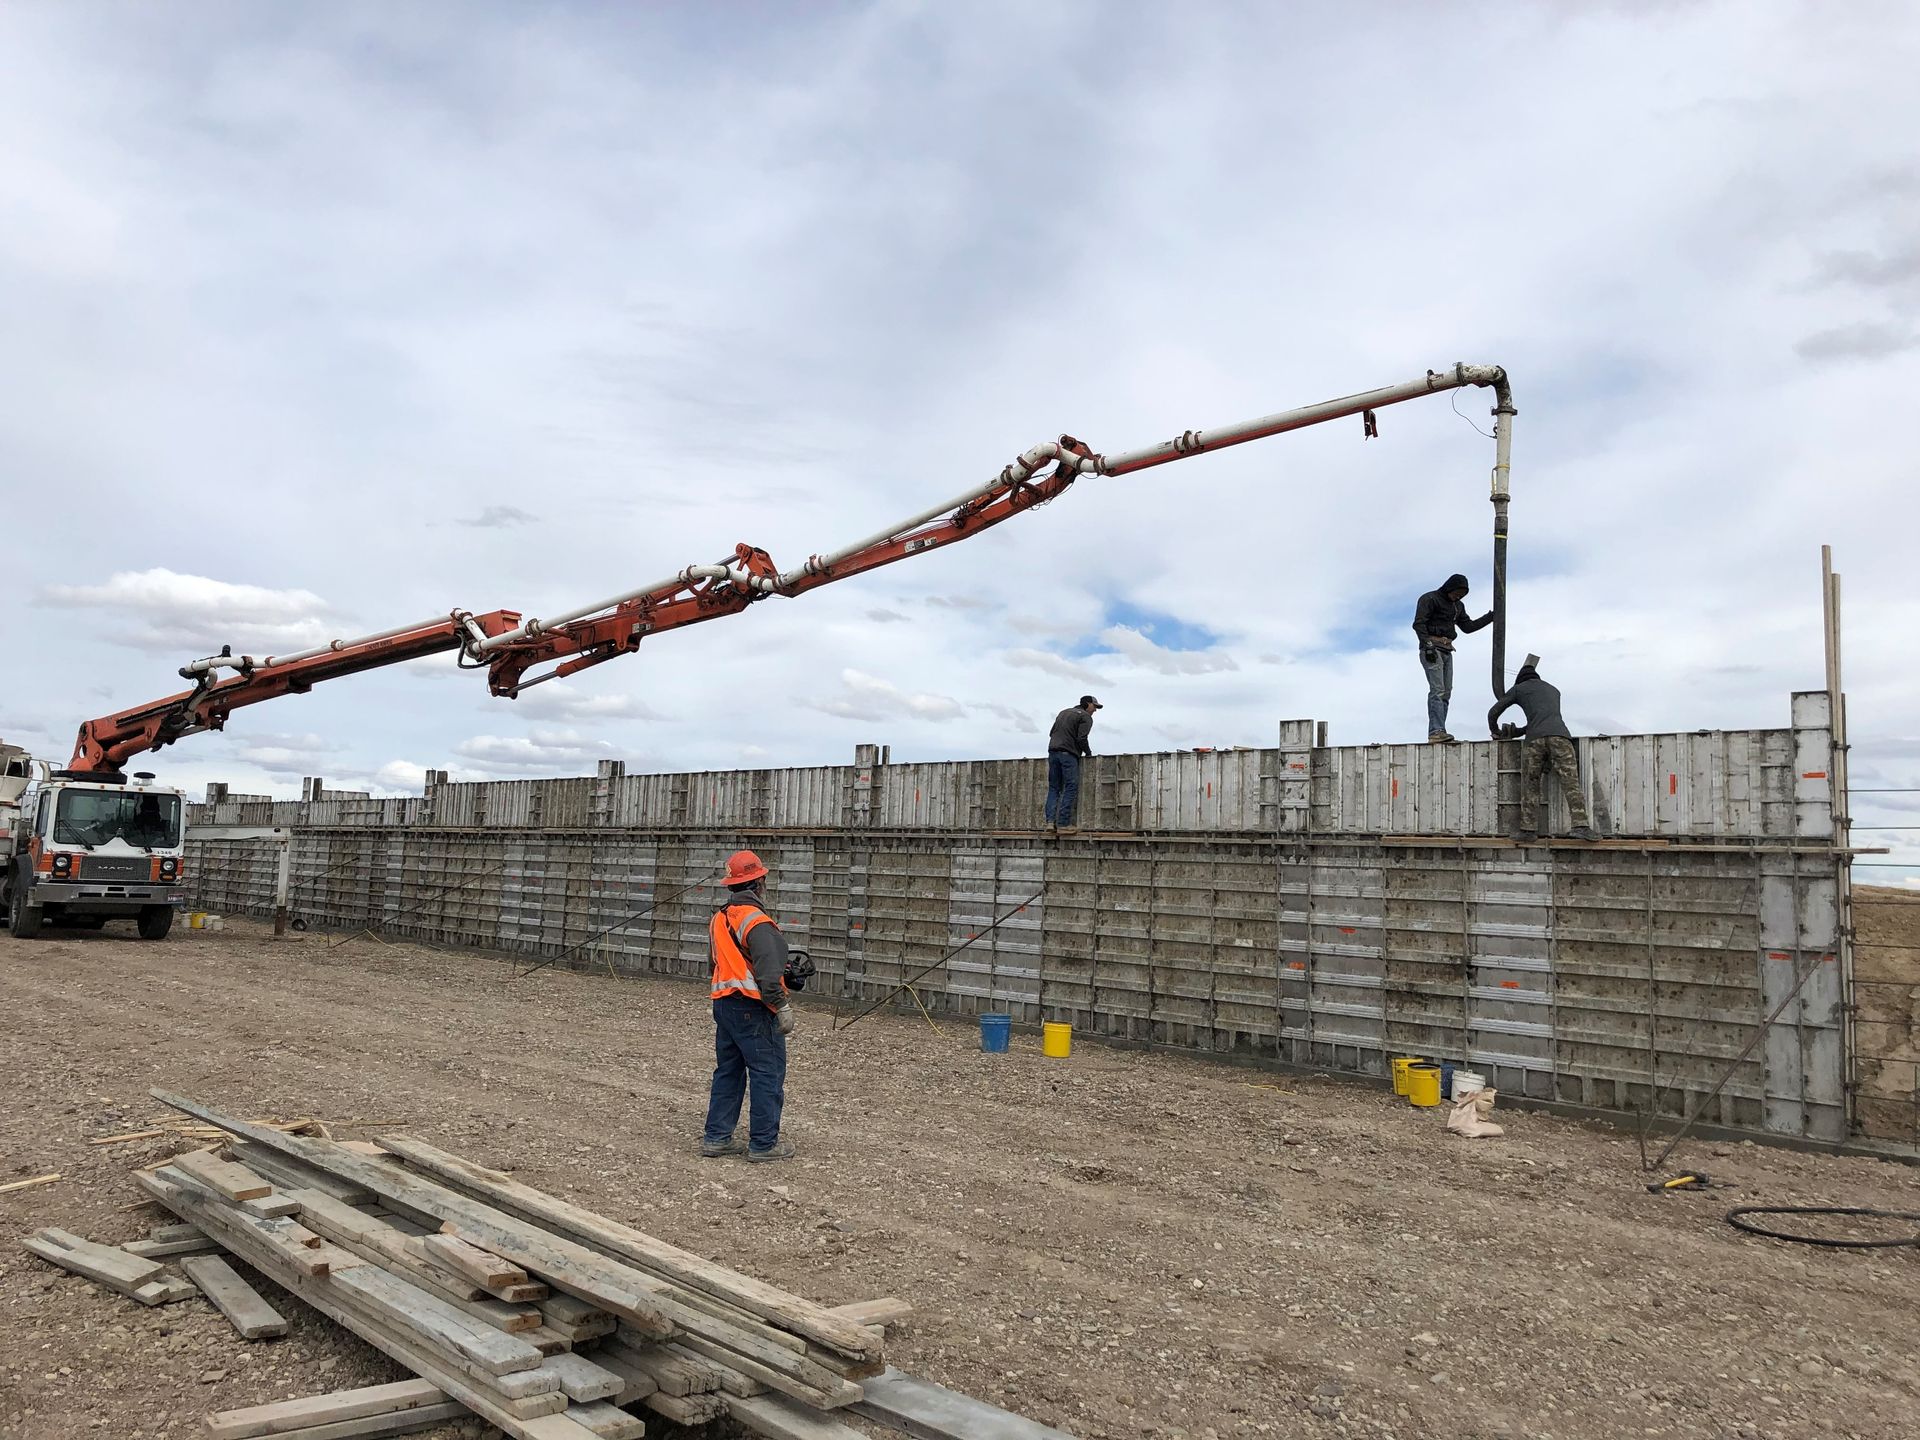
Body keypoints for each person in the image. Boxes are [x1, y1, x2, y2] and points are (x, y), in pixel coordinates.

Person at [701, 850, 797, 1162]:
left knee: (728, 1071)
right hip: (754, 1009)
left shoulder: (719, 918)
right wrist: (781, 1006)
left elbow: (716, 963)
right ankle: (764, 1144)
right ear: (759, 883)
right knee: (767, 1072)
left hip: (724, 1005)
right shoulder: (757, 921)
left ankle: (717, 1137)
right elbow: (769, 977)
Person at [1488, 656, 1597, 842]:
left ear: (1520, 679)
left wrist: (1496, 731)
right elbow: (1544, 719)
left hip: (1535, 741)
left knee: (1531, 784)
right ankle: (1582, 827)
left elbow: (1494, 712)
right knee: (1571, 783)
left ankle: (1528, 830)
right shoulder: (1554, 691)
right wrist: (1519, 731)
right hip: (1561, 737)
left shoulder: (1519, 688)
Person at [1412, 573, 1493, 743]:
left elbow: (1468, 627)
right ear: (1449, 587)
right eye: (1457, 592)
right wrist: (1427, 645)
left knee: (1446, 692)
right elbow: (1419, 624)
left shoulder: (1458, 606)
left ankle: (1440, 731)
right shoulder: (1430, 598)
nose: (1459, 596)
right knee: (1438, 689)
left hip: (1448, 649)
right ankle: (1436, 731)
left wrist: (1490, 617)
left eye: (1462, 594)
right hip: (1432, 648)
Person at [1044, 695, 1101, 832]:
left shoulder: (1063, 712)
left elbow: (1052, 733)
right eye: (1094, 707)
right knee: (1070, 787)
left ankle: (1050, 823)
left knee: (1054, 788)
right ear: (1087, 704)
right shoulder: (1086, 717)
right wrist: (1088, 753)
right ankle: (1063, 824)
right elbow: (1082, 738)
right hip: (1068, 754)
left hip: (1053, 752)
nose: (1095, 710)